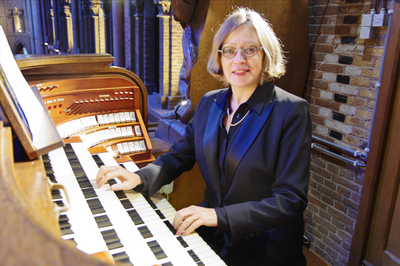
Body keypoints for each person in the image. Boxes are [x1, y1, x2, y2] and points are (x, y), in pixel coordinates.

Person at [97, 7, 311, 266]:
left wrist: (219, 216)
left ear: (265, 55)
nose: (239, 59)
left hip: (264, 249)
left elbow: (290, 201)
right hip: (214, 237)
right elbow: (179, 156)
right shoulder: (210, 103)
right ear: (219, 57)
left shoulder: (291, 110)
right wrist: (140, 177)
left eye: (250, 49)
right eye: (229, 50)